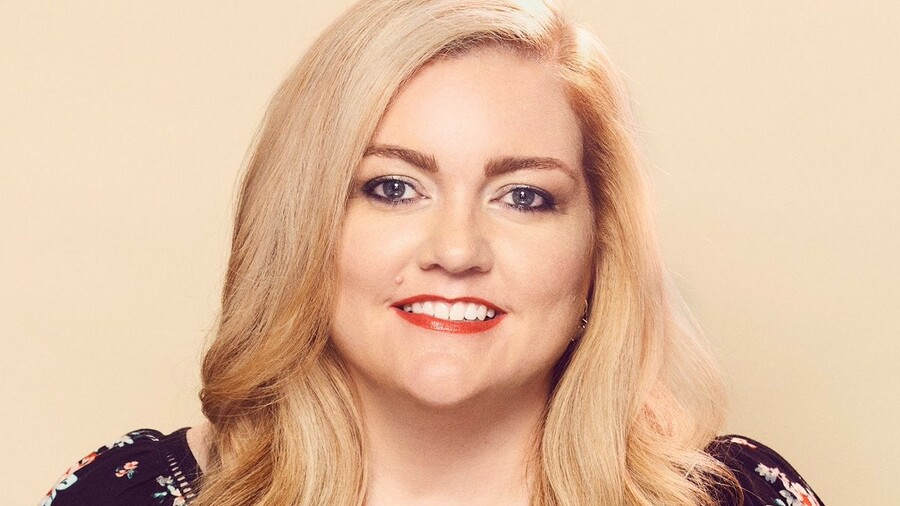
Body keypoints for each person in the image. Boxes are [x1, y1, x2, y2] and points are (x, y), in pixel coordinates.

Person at [40, 1, 824, 505]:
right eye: (392, 187)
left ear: (598, 247)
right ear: (303, 225)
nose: (456, 250)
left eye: (524, 196)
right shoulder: (124, 496)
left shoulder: (737, 498)